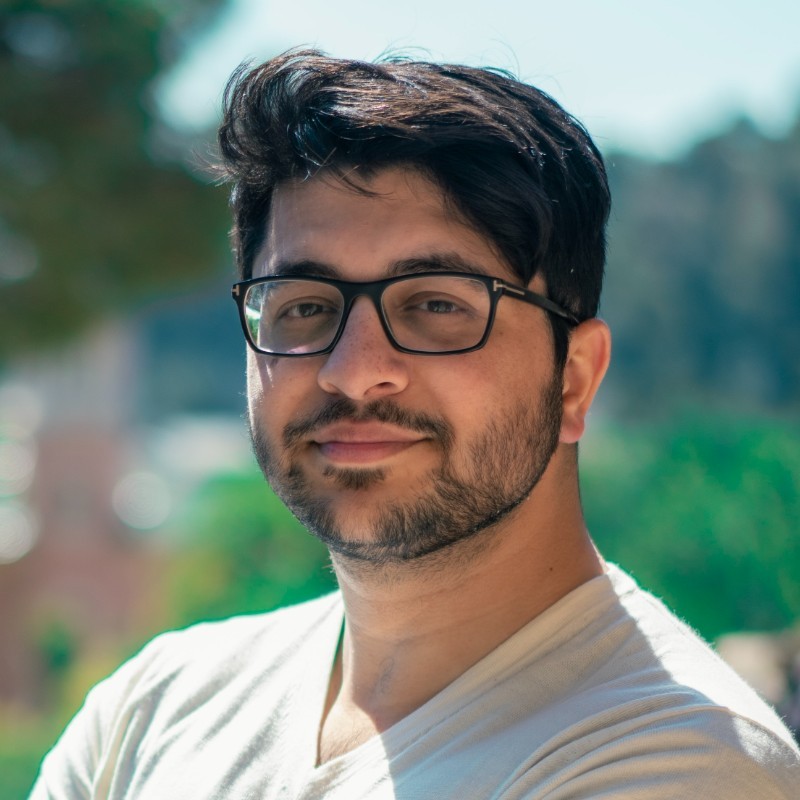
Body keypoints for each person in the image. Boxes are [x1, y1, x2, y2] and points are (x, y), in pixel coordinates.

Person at [32, 49, 800, 799]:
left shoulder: (675, 762)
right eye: (305, 306)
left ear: (573, 380)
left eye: (436, 305)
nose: (353, 370)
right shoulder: (152, 712)